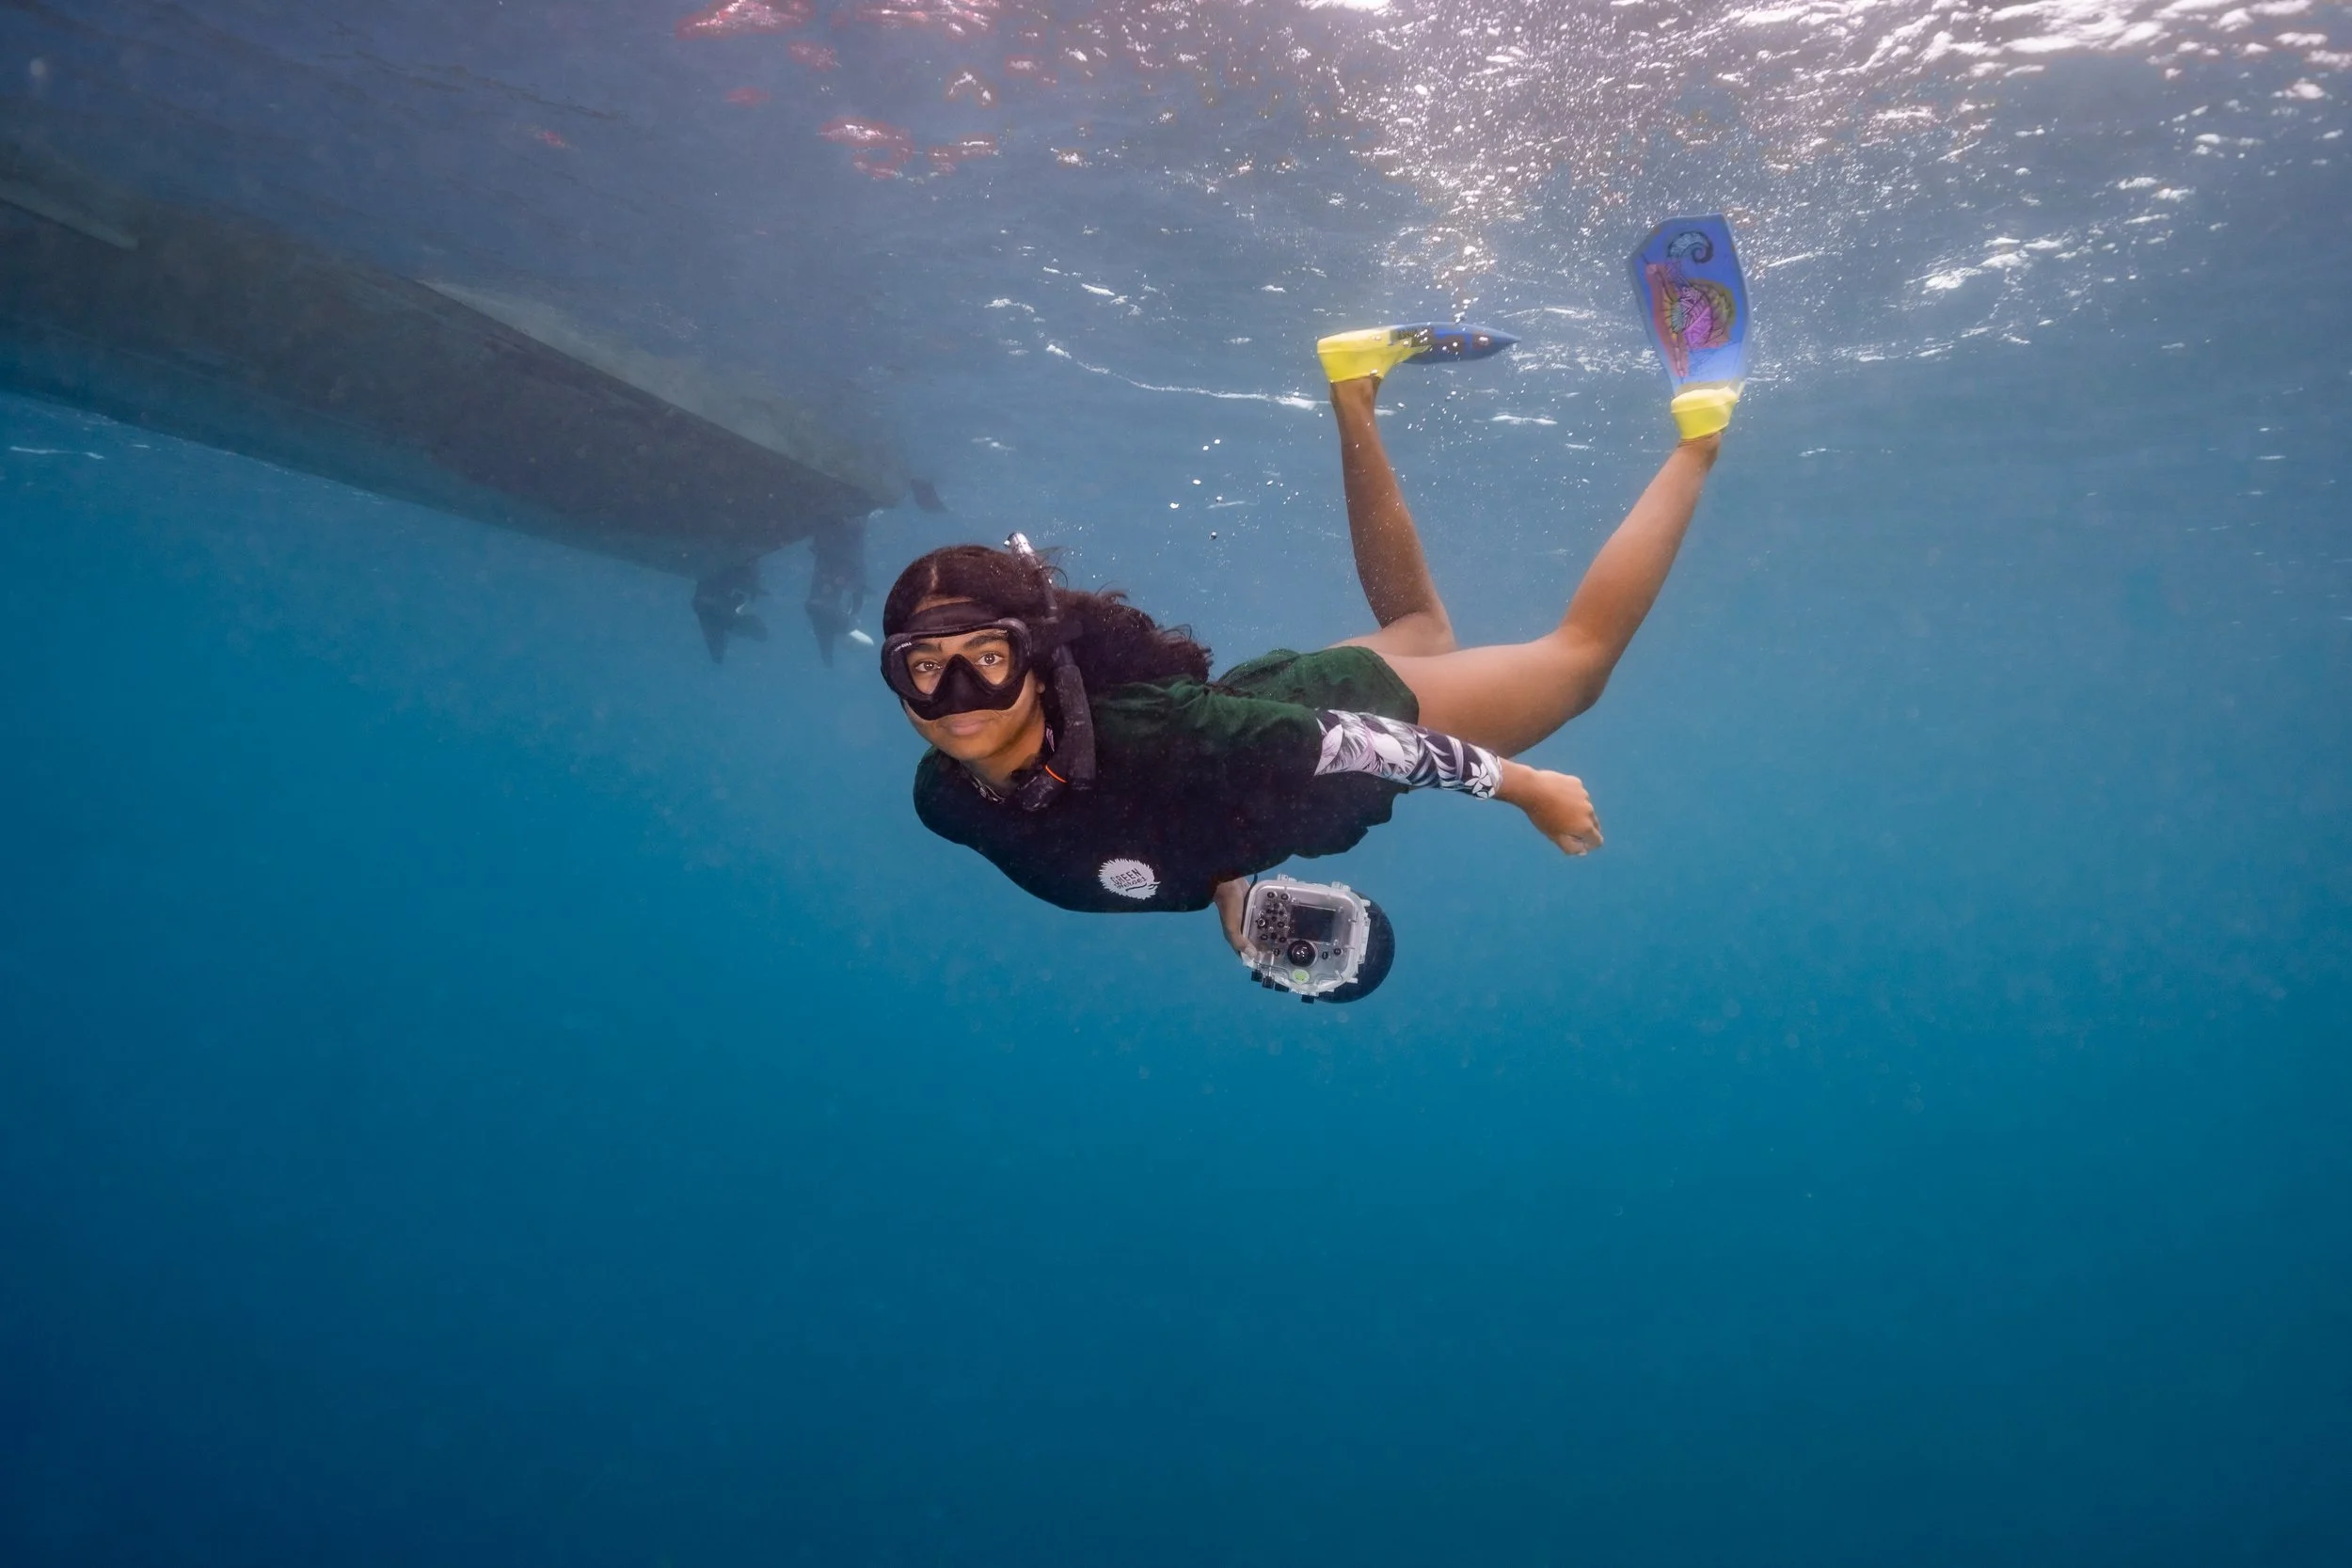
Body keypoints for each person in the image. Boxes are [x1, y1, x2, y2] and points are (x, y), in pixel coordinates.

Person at [879, 323, 1732, 969]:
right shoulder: (946, 800)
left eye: (985, 658)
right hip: (1252, 738)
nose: (955, 697)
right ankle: (1353, 385)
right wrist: (1225, 877)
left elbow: (1358, 742)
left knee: (1578, 667)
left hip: (1332, 724)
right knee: (1423, 633)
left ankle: (1702, 434)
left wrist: (1527, 788)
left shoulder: (1158, 735)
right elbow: (1117, 819)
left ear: (1033, 657)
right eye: (923, 668)